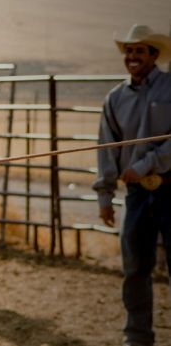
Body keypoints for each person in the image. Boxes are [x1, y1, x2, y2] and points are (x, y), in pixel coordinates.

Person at [94, 24, 171, 346]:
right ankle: (137, 336)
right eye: (129, 50)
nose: (133, 56)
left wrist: (144, 164)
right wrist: (105, 196)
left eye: (140, 50)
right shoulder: (115, 98)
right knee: (135, 266)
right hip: (138, 195)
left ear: (154, 55)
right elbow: (108, 148)